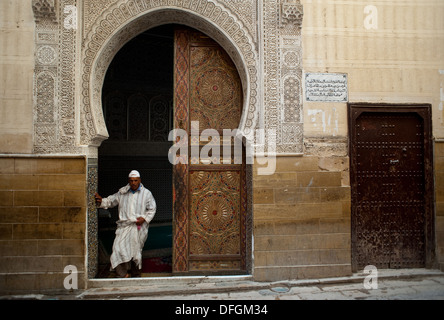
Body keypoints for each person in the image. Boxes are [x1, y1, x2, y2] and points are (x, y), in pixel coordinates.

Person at [95, 170, 156, 278]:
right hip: (124, 226)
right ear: (128, 181)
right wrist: (101, 201)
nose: (133, 183)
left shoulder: (147, 194)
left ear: (140, 180)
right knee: (118, 248)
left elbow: (152, 208)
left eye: (136, 180)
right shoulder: (122, 192)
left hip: (138, 227)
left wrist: (145, 218)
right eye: (131, 181)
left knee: (136, 250)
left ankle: (136, 274)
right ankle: (121, 274)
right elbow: (111, 201)